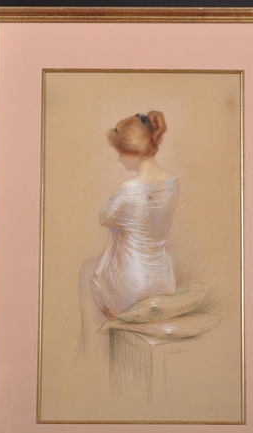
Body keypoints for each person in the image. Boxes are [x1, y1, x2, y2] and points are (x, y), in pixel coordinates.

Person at [76, 111, 180, 359]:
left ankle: (95, 358)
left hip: (132, 287)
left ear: (134, 152)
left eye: (121, 152)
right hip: (165, 283)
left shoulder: (128, 189)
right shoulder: (173, 182)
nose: (119, 159)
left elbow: (104, 217)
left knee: (87, 272)